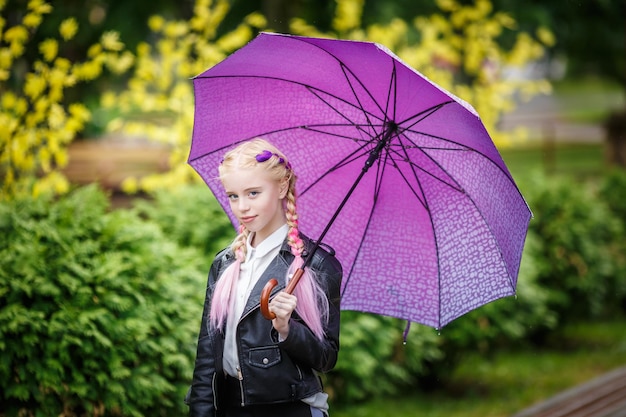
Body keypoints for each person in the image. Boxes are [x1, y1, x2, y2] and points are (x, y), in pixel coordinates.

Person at [187, 138, 343, 417]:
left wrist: (287, 329)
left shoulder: (316, 265)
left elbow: (326, 357)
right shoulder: (225, 263)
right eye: (233, 195)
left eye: (253, 193)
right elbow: (207, 354)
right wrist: (200, 411)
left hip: (289, 409)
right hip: (230, 407)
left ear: (282, 187)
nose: (242, 207)